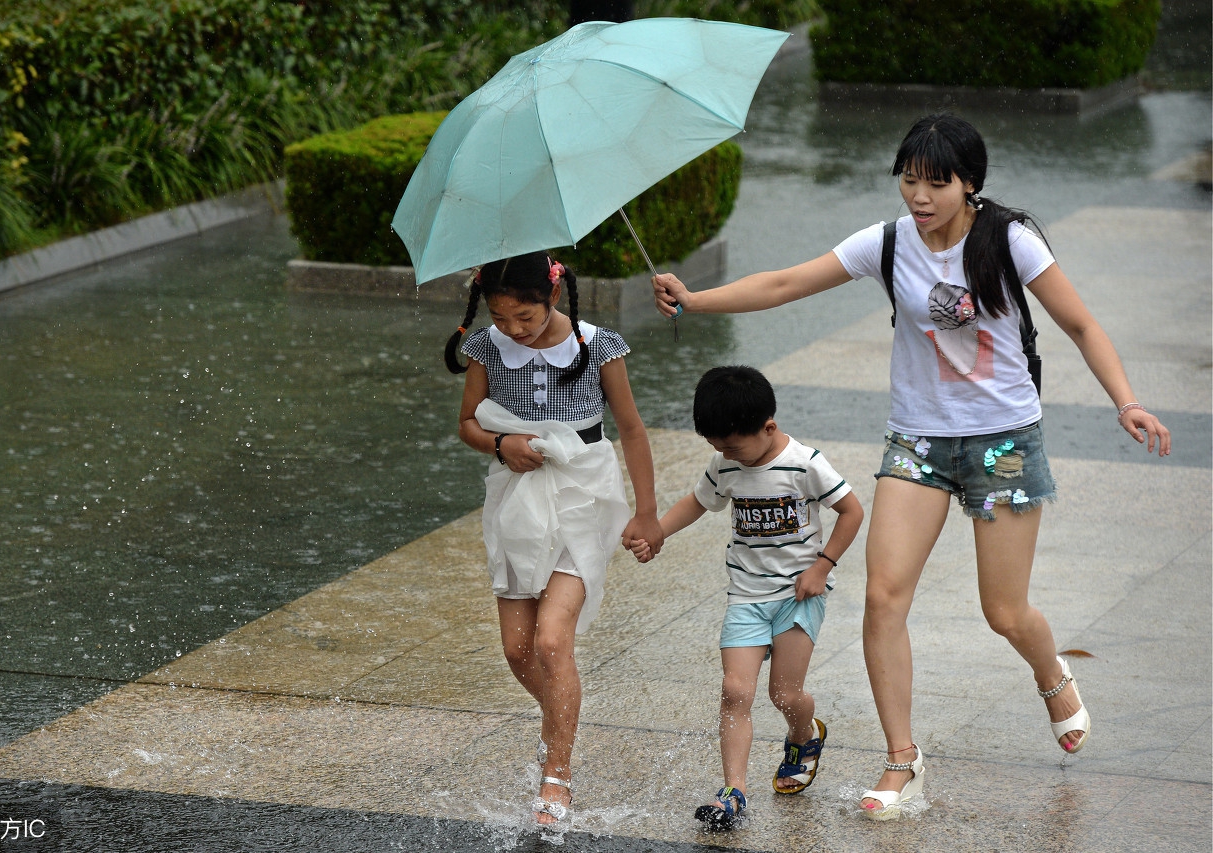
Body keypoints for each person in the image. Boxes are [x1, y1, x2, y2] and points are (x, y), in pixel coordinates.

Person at [651, 114, 1171, 821]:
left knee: (1003, 611)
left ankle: (1051, 673)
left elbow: (1080, 324)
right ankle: (902, 758)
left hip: (1002, 443)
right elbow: (785, 283)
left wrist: (1127, 401)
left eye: (936, 182)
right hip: (918, 442)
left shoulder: (1010, 241)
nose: (919, 196)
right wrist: (696, 300)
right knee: (883, 599)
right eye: (908, 179)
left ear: (970, 183)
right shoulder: (889, 243)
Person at [447, 251, 665, 826]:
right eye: (501, 316)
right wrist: (501, 445)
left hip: (584, 495)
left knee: (550, 641)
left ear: (553, 294)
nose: (514, 328)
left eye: (525, 316)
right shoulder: (486, 347)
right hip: (516, 499)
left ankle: (556, 775)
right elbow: (467, 423)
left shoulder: (598, 345)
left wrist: (647, 513)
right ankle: (562, 717)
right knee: (516, 650)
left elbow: (631, 428)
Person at [630, 365, 864, 829]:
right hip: (746, 594)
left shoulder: (804, 463)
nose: (724, 454)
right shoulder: (726, 463)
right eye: (716, 446)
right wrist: (658, 532)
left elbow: (852, 511)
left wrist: (822, 566)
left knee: (784, 694)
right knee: (735, 690)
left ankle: (804, 735)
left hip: (798, 594)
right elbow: (698, 501)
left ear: (768, 428)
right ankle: (733, 792)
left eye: (733, 446)